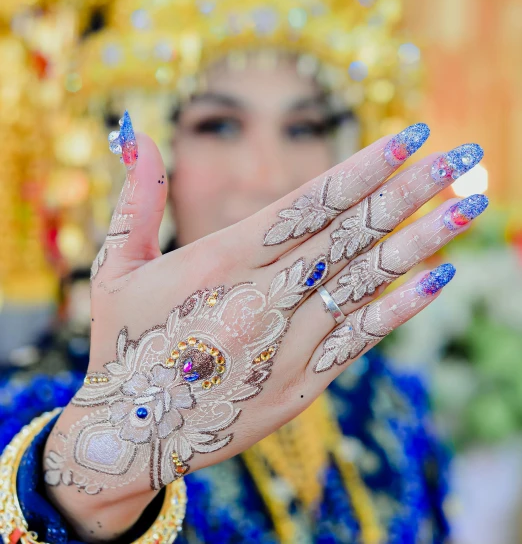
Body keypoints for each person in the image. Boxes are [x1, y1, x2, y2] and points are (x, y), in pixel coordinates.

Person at [0, 43, 487, 544]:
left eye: (305, 128)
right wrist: (89, 488)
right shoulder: (41, 396)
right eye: (220, 126)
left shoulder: (388, 400)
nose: (268, 176)